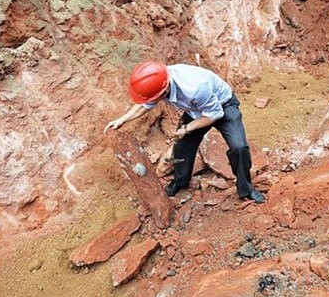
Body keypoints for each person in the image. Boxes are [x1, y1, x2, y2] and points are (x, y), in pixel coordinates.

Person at [104, 61, 265, 204]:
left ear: (164, 89)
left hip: (222, 106)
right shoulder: (159, 80)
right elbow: (145, 104)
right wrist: (122, 119)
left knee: (239, 147)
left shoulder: (195, 88)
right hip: (196, 110)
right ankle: (180, 182)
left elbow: (215, 115)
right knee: (181, 146)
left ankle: (246, 188)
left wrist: (187, 128)